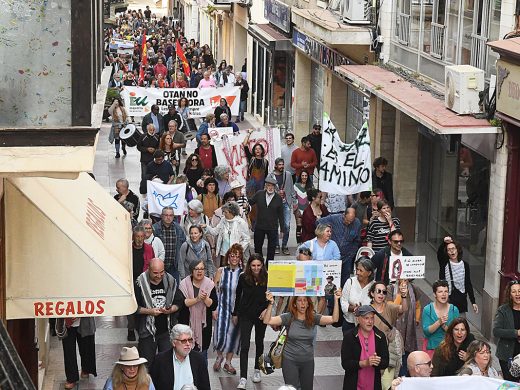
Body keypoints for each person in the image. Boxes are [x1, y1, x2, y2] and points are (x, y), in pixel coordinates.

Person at [263, 289, 343, 390]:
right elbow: (267, 320)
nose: (303, 303)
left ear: (308, 303)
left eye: (305, 300)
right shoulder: (288, 317)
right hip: (290, 360)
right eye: (299, 300)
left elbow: (334, 319)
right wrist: (270, 303)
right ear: (295, 304)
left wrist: (336, 300)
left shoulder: (313, 317)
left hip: (307, 361)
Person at [135, 258, 184, 365]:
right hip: (147, 331)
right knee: (146, 364)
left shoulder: (170, 280)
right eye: (155, 273)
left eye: (162, 272)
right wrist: (149, 311)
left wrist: (171, 309)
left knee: (167, 363)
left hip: (166, 330)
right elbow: (133, 307)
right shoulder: (140, 283)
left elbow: (179, 302)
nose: (159, 276)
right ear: (149, 270)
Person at [233, 254, 269, 389]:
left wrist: (267, 310)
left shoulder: (267, 277)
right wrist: (235, 313)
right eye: (253, 265)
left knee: (260, 342)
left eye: (259, 265)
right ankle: (243, 377)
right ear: (249, 265)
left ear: (262, 265)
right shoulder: (243, 277)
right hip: (246, 314)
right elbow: (238, 295)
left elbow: (272, 296)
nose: (256, 268)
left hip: (261, 315)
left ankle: (257, 370)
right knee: (245, 345)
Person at [369, 281, 408, 389]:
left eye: (384, 292)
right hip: (372, 353)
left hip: (388, 352)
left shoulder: (389, 306)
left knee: (386, 385)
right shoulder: (367, 310)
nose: (381, 294)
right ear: (372, 293)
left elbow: (403, 309)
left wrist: (404, 296)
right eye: (378, 291)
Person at [212, 244, 244, 375]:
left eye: (237, 256)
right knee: (220, 334)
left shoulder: (243, 273)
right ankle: (219, 356)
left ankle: (228, 362)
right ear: (228, 257)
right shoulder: (221, 271)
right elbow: (214, 290)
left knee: (234, 335)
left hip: (236, 310)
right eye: (232, 255)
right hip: (222, 307)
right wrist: (214, 309)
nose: (234, 258)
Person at [149, 324, 211, 390]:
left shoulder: (199, 359)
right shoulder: (160, 360)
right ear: (174, 343)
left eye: (190, 340)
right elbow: (152, 386)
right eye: (183, 341)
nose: (188, 344)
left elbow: (205, 387)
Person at [341, 305, 389, 390]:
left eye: (372, 318)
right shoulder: (349, 337)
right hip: (353, 385)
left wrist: (377, 362)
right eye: (366, 318)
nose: (370, 321)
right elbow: (345, 364)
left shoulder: (380, 336)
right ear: (358, 319)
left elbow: (385, 362)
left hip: (374, 385)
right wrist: (363, 363)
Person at [178, 260, 218, 360]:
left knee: (202, 356)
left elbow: (213, 305)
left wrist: (205, 298)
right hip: (187, 324)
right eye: (196, 269)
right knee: (186, 356)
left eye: (201, 269)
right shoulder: (184, 284)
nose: (199, 271)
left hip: (204, 327)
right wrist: (197, 299)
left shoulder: (209, 284)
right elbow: (182, 303)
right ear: (192, 271)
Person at [387, 279, 422, 377]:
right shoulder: (390, 288)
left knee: (407, 360)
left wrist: (417, 319)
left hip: (409, 331)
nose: (404, 278)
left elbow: (418, 306)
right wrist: (401, 295)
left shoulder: (414, 288)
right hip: (394, 331)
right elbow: (391, 307)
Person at [319, 208, 362, 285]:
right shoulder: (334, 218)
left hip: (347, 256)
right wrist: (325, 235)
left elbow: (357, 240)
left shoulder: (357, 223)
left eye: (351, 221)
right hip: (332, 256)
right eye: (347, 220)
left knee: (345, 278)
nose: (349, 223)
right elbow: (318, 222)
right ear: (344, 215)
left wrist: (352, 253)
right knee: (330, 278)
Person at [248, 175, 285, 263]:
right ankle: (259, 264)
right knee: (257, 247)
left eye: (272, 186)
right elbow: (251, 202)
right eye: (268, 185)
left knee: (271, 249)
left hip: (272, 227)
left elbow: (281, 215)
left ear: (275, 187)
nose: (270, 187)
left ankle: (269, 267)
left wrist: (282, 229)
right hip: (260, 226)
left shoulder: (278, 198)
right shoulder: (259, 194)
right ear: (265, 186)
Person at [438, 238, 478, 316]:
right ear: (447, 252)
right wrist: (444, 243)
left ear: (457, 250)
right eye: (449, 249)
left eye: (453, 248)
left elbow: (468, 283)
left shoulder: (465, 265)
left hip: (461, 299)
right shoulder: (445, 264)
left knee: (461, 324)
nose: (451, 251)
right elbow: (439, 255)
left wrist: (473, 302)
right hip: (448, 298)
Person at [203, 201, 250, 266]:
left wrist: (238, 249)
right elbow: (215, 231)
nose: (224, 214)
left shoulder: (241, 222)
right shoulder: (223, 220)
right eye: (223, 212)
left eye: (226, 212)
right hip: (224, 253)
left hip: (235, 255)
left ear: (232, 212)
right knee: (223, 272)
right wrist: (207, 227)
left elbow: (247, 239)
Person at [422, 280, 460, 356]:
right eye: (440, 292)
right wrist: (438, 322)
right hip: (431, 348)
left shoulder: (454, 310)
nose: (443, 294)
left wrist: (444, 326)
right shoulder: (427, 309)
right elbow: (426, 331)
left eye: (446, 291)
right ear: (434, 294)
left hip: (449, 349)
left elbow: (456, 333)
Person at [493, 279, 520, 382]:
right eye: (514, 291)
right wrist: (516, 332)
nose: (517, 294)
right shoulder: (503, 310)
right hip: (507, 355)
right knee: (511, 384)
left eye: (519, 291)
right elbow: (496, 331)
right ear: (510, 295)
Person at [340, 257, 376, 334]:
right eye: (357, 269)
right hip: (350, 324)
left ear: (369, 273)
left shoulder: (374, 286)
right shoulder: (350, 282)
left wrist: (363, 310)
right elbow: (343, 302)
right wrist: (353, 309)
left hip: (367, 326)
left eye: (361, 271)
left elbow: (377, 306)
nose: (357, 273)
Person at [61, 317, 97, 389]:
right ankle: (71, 378)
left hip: (84, 318)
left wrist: (80, 313)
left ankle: (86, 369)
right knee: (69, 349)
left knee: (86, 346)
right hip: (67, 319)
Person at [152, 206, 186, 280]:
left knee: (174, 289)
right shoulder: (155, 229)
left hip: (174, 266)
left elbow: (184, 245)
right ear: (161, 216)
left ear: (173, 216)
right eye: (166, 215)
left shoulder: (178, 229)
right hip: (158, 267)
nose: (168, 217)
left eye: (171, 215)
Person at [272, 157, 295, 255]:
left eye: (282, 164)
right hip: (275, 204)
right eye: (279, 165)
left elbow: (292, 188)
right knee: (275, 225)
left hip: (286, 203)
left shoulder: (288, 175)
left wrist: (294, 202)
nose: (281, 166)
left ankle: (284, 245)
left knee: (287, 225)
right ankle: (276, 245)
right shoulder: (270, 176)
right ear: (276, 165)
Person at [137, 124, 160, 194]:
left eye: (153, 130)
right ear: (147, 130)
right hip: (144, 159)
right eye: (151, 130)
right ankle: (143, 189)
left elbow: (158, 147)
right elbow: (138, 147)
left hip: (153, 160)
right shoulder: (143, 137)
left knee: (153, 175)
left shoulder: (157, 137)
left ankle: (152, 189)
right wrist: (147, 149)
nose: (152, 131)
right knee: (144, 175)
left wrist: (154, 150)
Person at [293, 170, 313, 244]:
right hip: (298, 210)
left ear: (308, 177)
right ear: (300, 177)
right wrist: (296, 209)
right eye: (302, 175)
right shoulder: (296, 186)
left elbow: (312, 199)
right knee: (299, 227)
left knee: (306, 227)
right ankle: (298, 244)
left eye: (306, 176)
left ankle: (305, 243)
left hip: (307, 211)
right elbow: (294, 198)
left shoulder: (311, 186)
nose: (304, 177)